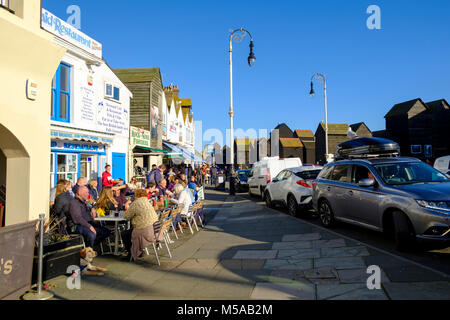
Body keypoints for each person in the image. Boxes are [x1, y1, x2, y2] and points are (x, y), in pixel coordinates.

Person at [121, 189, 165, 261]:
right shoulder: (147, 202)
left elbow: (126, 216)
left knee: (125, 234)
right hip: (155, 230)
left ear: (137, 195)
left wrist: (126, 205)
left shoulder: (136, 203)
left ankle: (131, 254)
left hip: (145, 230)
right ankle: (139, 251)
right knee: (130, 232)